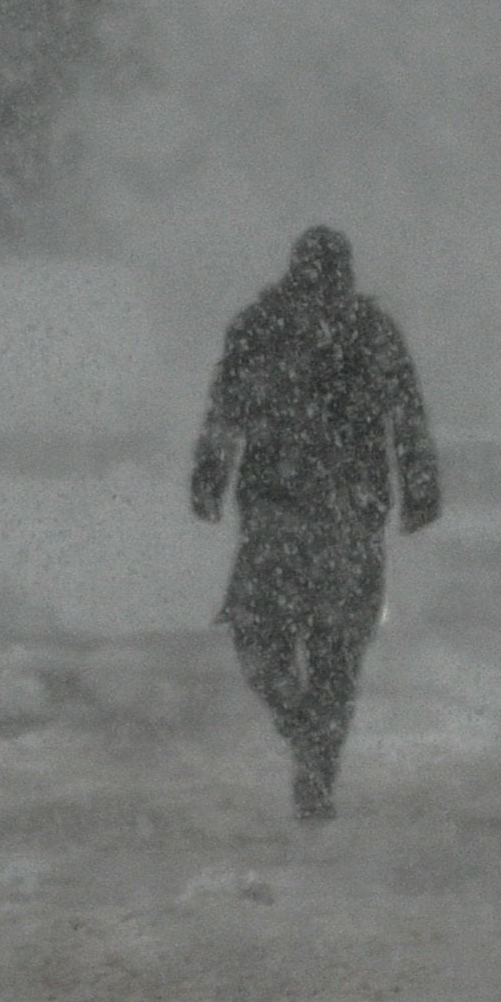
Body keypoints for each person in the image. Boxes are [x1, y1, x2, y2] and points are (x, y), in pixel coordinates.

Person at [188, 226, 440, 821]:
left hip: (278, 510)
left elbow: (225, 413)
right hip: (346, 515)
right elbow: (408, 420)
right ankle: (317, 752)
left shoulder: (258, 327)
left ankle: (303, 732)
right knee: (337, 653)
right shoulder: (372, 334)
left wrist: (210, 478)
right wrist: (419, 488)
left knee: (261, 634)